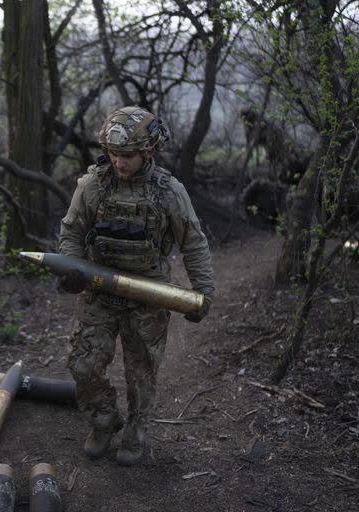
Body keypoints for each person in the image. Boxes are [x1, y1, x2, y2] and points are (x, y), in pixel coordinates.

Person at [57, 106, 214, 466]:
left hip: (148, 293)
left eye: (127, 156)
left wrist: (203, 291)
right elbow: (71, 232)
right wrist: (72, 265)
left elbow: (193, 241)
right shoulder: (92, 186)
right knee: (83, 365)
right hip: (99, 288)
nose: (119, 163)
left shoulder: (169, 193)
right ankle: (103, 421)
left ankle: (137, 427)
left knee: (141, 371)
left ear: (149, 152)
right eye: (113, 155)